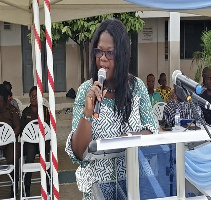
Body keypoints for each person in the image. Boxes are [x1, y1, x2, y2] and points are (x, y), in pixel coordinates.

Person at [65, 19, 158, 199]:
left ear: (122, 54)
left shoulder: (137, 87)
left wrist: (127, 139)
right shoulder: (86, 90)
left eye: (110, 53)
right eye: (99, 51)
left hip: (133, 184)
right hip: (98, 189)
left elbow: (151, 131)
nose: (103, 58)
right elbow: (78, 152)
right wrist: (88, 114)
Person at [20, 86, 50, 197]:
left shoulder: (45, 111)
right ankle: (26, 187)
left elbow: (49, 128)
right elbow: (22, 130)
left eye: (36, 96)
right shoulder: (25, 112)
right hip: (30, 144)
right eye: (32, 96)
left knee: (46, 157)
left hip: (43, 143)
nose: (34, 98)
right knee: (29, 157)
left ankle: (48, 185)